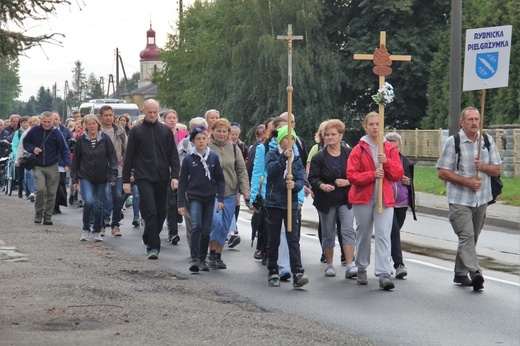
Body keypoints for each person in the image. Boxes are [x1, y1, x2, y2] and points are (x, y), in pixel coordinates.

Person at [436, 107, 501, 291]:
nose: (474, 123)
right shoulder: (453, 142)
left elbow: (496, 169)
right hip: (459, 200)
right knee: (466, 235)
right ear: (462, 122)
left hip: (481, 199)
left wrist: (484, 166)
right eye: (470, 119)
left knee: (471, 239)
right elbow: (442, 172)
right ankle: (476, 272)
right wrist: (467, 182)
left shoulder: (486, 140)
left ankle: (460, 273)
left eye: (476, 119)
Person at [346, 111, 403, 291]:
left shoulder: (389, 149)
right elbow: (351, 175)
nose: (375, 127)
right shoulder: (358, 149)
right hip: (363, 198)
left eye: (378, 124)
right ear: (365, 127)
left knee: (383, 234)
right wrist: (372, 175)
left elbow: (397, 174)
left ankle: (384, 273)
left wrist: (386, 162)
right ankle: (361, 267)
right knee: (363, 233)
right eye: (371, 124)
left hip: (384, 198)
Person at [122, 99, 180, 260]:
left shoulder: (165, 131)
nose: (153, 115)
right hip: (143, 177)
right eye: (149, 112)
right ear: (144, 111)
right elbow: (129, 157)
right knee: (151, 212)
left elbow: (173, 156)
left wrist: (175, 176)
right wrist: (126, 180)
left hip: (162, 177)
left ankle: (148, 236)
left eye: (155, 112)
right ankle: (153, 247)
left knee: (161, 212)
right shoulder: (136, 131)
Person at [309, 119, 357, 279]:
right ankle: (329, 264)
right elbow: (313, 178)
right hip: (326, 200)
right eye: (326, 135)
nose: (330, 138)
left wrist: (348, 181)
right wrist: (322, 186)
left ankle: (350, 265)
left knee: (348, 230)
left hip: (346, 199)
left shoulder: (349, 154)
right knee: (328, 232)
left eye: (333, 134)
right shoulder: (319, 157)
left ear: (340, 135)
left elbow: (357, 174)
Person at [264, 125, 308, 288]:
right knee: (274, 238)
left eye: (292, 139)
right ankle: (273, 270)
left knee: (293, 238)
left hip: (291, 203)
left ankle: (297, 271)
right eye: (286, 138)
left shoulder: (296, 158)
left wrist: (294, 186)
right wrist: (283, 159)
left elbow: (301, 178)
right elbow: (271, 171)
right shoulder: (272, 154)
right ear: (280, 140)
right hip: (274, 202)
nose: (290, 142)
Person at [177, 126, 225, 272]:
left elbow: (220, 179)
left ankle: (203, 258)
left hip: (209, 197)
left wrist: (221, 198)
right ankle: (195, 258)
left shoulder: (213, 157)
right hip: (194, 197)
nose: (201, 141)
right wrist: (180, 203)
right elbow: (183, 182)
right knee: (196, 225)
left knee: (205, 229)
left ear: (208, 140)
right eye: (198, 139)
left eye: (204, 138)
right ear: (193, 141)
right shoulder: (189, 159)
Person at [207, 118, 249, 269]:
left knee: (225, 226)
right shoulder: (207, 146)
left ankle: (218, 255)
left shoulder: (233, 148)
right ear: (212, 131)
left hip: (230, 192)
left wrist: (245, 191)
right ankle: (211, 253)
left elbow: (241, 170)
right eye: (218, 131)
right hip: (212, 193)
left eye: (224, 131)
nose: (221, 134)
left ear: (229, 133)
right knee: (216, 222)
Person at [71, 115, 118, 242]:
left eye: (94, 124)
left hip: (102, 177)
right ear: (85, 126)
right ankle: (86, 229)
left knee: (98, 205)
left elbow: (112, 158)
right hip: (85, 175)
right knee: (89, 202)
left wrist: (113, 175)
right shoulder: (81, 140)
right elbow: (76, 160)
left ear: (98, 125)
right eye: (89, 124)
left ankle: (97, 230)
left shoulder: (105, 139)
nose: (92, 126)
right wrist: (74, 179)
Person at [23, 111, 70, 225]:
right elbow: (26, 142)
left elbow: (64, 149)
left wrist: (67, 164)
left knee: (51, 193)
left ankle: (48, 216)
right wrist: (33, 148)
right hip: (38, 165)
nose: (47, 124)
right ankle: (38, 213)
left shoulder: (56, 133)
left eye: (49, 122)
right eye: (44, 122)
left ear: (53, 121)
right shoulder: (34, 131)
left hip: (53, 165)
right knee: (40, 190)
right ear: (41, 120)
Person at [385, 132, 417, 279]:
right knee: (394, 231)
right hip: (387, 201)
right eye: (391, 147)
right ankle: (399, 264)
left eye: (397, 147)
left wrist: (408, 182)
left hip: (402, 202)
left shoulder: (406, 162)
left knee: (393, 233)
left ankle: (387, 260)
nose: (394, 150)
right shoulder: (382, 161)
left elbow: (411, 182)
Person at [99, 105, 127, 237]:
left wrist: (129, 168)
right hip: (101, 169)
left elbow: (126, 149)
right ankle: (102, 223)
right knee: (105, 197)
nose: (109, 118)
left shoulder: (119, 131)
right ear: (101, 117)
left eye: (111, 115)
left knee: (117, 197)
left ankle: (115, 224)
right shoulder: (98, 130)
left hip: (118, 169)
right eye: (106, 115)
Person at [163, 109, 185, 244]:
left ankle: (175, 221)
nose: (172, 120)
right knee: (170, 202)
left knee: (178, 200)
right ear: (164, 120)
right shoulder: (161, 134)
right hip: (166, 173)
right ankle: (172, 232)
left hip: (182, 172)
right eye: (169, 118)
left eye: (174, 118)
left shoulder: (183, 135)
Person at [52, 112, 73, 214]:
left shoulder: (65, 130)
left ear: (60, 120)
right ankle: (51, 205)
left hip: (61, 162)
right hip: (50, 161)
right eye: (53, 119)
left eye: (56, 119)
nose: (54, 121)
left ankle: (57, 205)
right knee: (50, 185)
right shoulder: (46, 131)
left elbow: (70, 145)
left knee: (60, 185)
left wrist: (67, 163)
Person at [15, 116, 40, 202]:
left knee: (37, 175)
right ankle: (32, 192)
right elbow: (20, 147)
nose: (34, 127)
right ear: (29, 125)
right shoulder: (26, 133)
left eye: (36, 125)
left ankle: (35, 191)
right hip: (28, 157)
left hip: (38, 156)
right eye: (32, 125)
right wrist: (17, 160)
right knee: (29, 174)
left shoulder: (41, 132)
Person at [10, 116, 30, 198]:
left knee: (29, 174)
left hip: (29, 156)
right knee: (21, 175)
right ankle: (20, 189)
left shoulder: (31, 132)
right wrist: (16, 154)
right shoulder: (17, 133)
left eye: (27, 122)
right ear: (21, 123)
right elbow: (14, 145)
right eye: (24, 122)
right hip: (20, 155)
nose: (25, 124)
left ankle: (28, 191)